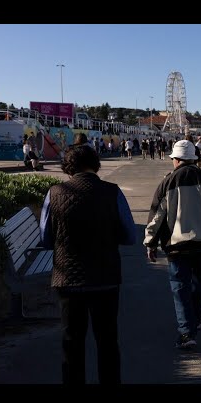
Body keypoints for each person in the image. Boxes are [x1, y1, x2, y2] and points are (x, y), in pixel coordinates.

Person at [39, 145, 136, 384]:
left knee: (71, 341)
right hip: (105, 278)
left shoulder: (54, 193)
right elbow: (130, 236)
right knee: (107, 341)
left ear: (68, 167)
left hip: (68, 280)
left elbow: (45, 239)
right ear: (96, 164)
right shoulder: (112, 192)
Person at [144, 140, 201, 349]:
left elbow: (156, 216)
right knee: (197, 280)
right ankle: (198, 317)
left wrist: (150, 243)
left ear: (176, 160)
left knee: (180, 286)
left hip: (177, 245)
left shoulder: (167, 182)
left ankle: (186, 332)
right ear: (194, 159)